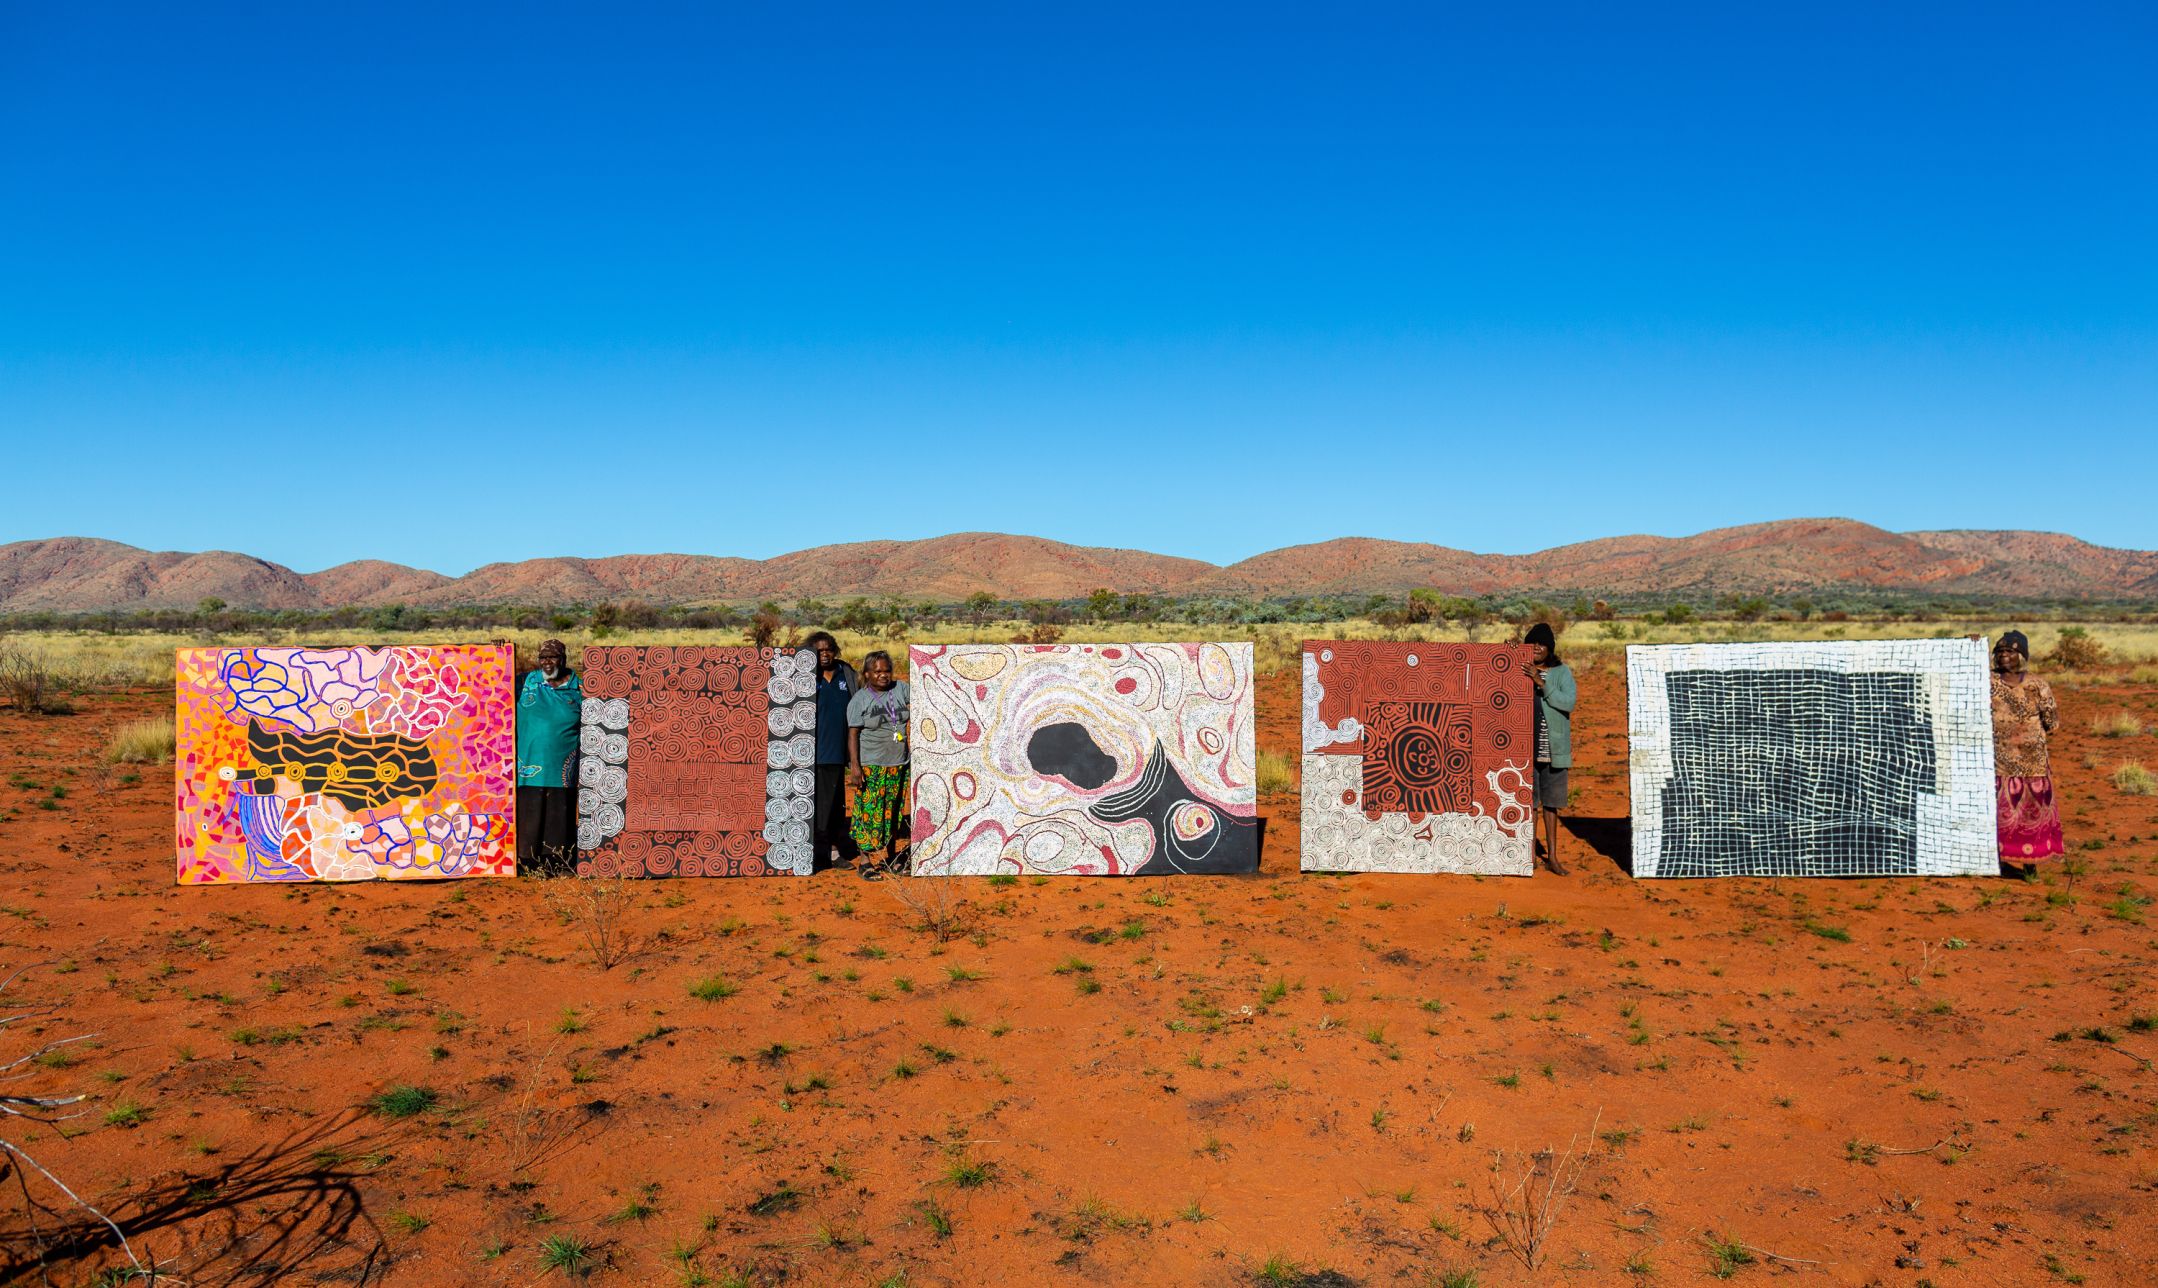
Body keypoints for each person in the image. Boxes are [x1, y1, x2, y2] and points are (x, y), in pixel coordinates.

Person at [1990, 630, 2064, 874]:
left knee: (2030, 815)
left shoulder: (2038, 685)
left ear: (2021, 655)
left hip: (2033, 765)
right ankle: (1999, 861)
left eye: (2009, 651)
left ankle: (2030, 865)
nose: (2003, 656)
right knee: (2000, 815)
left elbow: (2051, 723)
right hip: (1998, 761)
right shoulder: (1985, 682)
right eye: (1999, 652)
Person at [515, 639, 583, 875]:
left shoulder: (579, 687)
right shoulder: (525, 682)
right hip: (527, 764)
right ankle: (527, 863)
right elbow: (490, 684)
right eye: (543, 658)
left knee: (560, 815)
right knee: (529, 814)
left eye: (552, 657)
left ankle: (558, 863)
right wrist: (496, 651)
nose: (547, 662)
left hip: (563, 766)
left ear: (563, 659)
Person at [847, 650, 911, 878]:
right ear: (867, 674)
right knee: (869, 812)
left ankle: (891, 856)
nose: (883, 675)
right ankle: (865, 861)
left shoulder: (901, 689)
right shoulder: (860, 700)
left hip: (899, 763)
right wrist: (855, 766)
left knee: (893, 811)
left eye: (887, 671)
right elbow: (852, 733)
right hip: (872, 764)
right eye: (877, 672)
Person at [805, 631, 861, 871]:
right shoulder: (805, 677)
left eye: (828, 649)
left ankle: (835, 846)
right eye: (818, 651)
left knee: (837, 804)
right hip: (814, 754)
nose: (824, 654)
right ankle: (827, 853)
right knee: (820, 806)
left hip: (840, 752)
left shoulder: (845, 673)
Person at [1524, 622, 1575, 875]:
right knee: (1529, 804)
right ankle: (1530, 856)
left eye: (1542, 644)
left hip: (1554, 748)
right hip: (1525, 749)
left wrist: (1541, 683)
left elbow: (1568, 702)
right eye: (1533, 643)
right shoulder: (1520, 670)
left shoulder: (1561, 672)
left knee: (1551, 804)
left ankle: (1553, 857)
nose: (1537, 648)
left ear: (1550, 648)